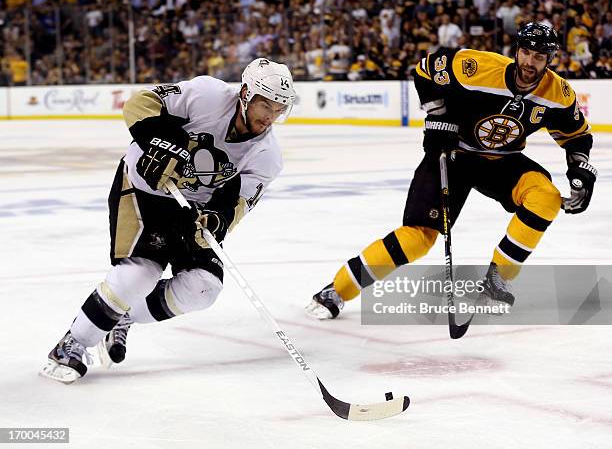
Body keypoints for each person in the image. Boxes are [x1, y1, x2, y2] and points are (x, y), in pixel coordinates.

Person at [306, 22, 597, 320]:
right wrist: (438, 117)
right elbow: (425, 69)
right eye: (525, 52)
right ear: (516, 51)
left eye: (538, 57)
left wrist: (581, 169)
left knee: (546, 198)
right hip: (452, 155)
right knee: (417, 239)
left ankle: (497, 281)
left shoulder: (558, 94)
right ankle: (337, 290)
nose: (529, 62)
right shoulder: (476, 66)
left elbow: (576, 136)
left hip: (502, 162)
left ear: (550, 59)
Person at [41, 58, 296, 383]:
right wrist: (160, 146)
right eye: (266, 105)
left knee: (203, 288)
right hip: (142, 188)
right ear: (245, 93)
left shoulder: (268, 156)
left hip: (191, 209)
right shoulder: (207, 95)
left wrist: (215, 223)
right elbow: (140, 103)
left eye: (279, 108)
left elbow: (238, 205)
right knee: (139, 274)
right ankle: (72, 345)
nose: (270, 116)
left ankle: (121, 317)